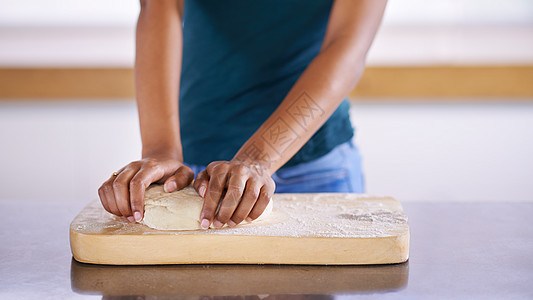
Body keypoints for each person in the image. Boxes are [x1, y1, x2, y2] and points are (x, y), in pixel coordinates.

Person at [98, 0, 387, 229]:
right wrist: (160, 148)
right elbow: (159, 5)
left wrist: (257, 159)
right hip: (196, 169)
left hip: (314, 168)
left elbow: (347, 44)